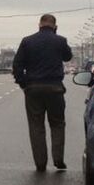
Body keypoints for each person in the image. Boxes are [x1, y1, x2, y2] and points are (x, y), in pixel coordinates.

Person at [12, 14, 73, 172]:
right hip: (55, 89)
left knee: (36, 126)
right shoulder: (60, 41)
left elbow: (17, 65)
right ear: (54, 26)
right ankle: (58, 159)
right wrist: (56, 35)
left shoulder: (27, 41)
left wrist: (24, 84)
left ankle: (40, 163)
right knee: (58, 124)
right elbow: (68, 57)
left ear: (39, 25)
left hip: (33, 89)